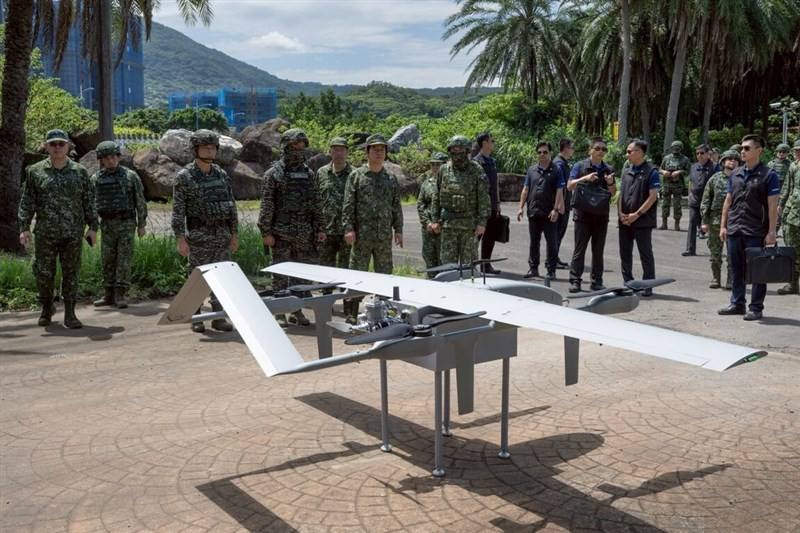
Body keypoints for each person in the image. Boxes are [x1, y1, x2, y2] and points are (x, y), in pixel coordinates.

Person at [18, 129, 98, 329]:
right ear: (46, 146)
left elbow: (89, 201)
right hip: (46, 233)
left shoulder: (79, 172)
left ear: (68, 146)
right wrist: (24, 227)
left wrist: (93, 227)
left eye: (61, 144)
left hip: (72, 233)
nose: (57, 147)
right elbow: (27, 201)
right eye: (52, 144)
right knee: (43, 273)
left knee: (71, 273)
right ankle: (47, 308)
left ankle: (70, 313)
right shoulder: (35, 171)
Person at [172, 129, 238, 333]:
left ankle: (218, 316)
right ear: (195, 149)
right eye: (205, 147)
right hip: (199, 234)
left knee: (222, 278)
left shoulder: (221, 174)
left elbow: (231, 205)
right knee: (197, 277)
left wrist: (234, 233)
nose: (210, 151)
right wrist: (180, 238)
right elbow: (178, 210)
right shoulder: (185, 177)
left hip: (221, 234)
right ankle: (197, 316)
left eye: (213, 148)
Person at [260, 128, 325, 327]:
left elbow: (316, 203)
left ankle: (297, 310)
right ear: (286, 146)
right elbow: (267, 204)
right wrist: (266, 231)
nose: (300, 149)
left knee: (299, 276)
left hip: (304, 233)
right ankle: (280, 312)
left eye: (302, 146)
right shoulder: (274, 174)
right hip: (281, 233)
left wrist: (320, 228)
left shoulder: (308, 174)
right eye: (296, 145)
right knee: (280, 275)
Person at [718, 135, 781, 320]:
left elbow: (772, 205)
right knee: (736, 268)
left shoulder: (769, 175)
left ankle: (756, 307)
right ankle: (737, 303)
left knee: (758, 270)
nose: (742, 151)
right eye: (742, 148)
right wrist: (723, 226)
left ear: (759, 151)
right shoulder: (735, 174)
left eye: (747, 148)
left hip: (755, 230)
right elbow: (728, 201)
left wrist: (772, 231)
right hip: (735, 228)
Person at [342, 134, 403, 323]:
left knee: (385, 274)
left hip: (383, 236)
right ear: (367, 152)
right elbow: (348, 205)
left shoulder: (390, 178)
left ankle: (384, 313)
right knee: (357, 274)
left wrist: (398, 230)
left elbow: (396, 206)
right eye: (375, 149)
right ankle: (351, 313)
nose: (379, 153)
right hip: (362, 236)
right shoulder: (356, 176)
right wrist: (348, 229)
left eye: (382, 149)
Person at [91, 141, 147, 309]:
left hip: (126, 223)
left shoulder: (130, 176)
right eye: (106, 158)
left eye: (113, 157)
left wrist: (141, 224)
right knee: (107, 258)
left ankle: (120, 294)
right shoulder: (96, 178)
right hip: (107, 224)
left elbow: (140, 200)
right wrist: (92, 226)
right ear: (101, 160)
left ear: (118, 157)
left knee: (124, 258)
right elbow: (91, 203)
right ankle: (108, 294)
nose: (110, 160)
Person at [431, 135, 490, 266]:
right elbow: (436, 195)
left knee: (468, 266)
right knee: (447, 266)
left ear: (467, 151)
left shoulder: (476, 170)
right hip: (448, 226)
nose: (457, 156)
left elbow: (483, 198)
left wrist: (482, 223)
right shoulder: (443, 170)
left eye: (460, 152)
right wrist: (434, 220)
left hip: (469, 227)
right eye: (454, 152)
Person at [567, 138, 616, 293]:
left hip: (601, 216)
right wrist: (585, 178)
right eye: (598, 148)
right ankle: (575, 281)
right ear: (590, 150)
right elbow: (569, 186)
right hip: (583, 215)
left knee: (598, 251)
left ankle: (596, 281)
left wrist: (610, 182)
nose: (601, 151)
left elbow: (613, 192)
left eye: (604, 149)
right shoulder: (580, 166)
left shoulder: (608, 169)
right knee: (579, 250)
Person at [516, 142, 564, 281]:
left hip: (549, 213)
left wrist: (556, 209)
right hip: (534, 212)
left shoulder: (556, 170)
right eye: (539, 152)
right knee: (534, 242)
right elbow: (525, 189)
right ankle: (533, 268)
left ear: (550, 153)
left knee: (552, 243)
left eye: (545, 152)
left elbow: (560, 191)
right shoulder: (532, 170)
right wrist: (520, 207)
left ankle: (551, 270)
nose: (542, 154)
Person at [618, 139, 660, 295]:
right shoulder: (626, 170)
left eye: (630, 151)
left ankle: (648, 285)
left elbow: (652, 197)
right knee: (625, 254)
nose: (627, 154)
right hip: (625, 221)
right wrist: (620, 213)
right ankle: (628, 283)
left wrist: (637, 215)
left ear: (640, 153)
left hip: (642, 221)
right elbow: (621, 194)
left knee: (645, 254)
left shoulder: (651, 171)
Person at [701, 150, 739, 289]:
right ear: (723, 162)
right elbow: (706, 201)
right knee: (715, 253)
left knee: (733, 254)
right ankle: (716, 278)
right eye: (729, 159)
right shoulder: (715, 179)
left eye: (735, 159)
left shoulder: (741, 179)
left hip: (735, 221)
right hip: (715, 221)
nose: (732, 161)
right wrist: (704, 221)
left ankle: (731, 280)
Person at [472, 132, 502, 273]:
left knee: (490, 236)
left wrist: (498, 203)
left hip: (493, 205)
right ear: (485, 143)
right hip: (481, 206)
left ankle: (486, 264)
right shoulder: (476, 162)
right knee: (476, 236)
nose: (493, 143)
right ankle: (470, 264)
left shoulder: (492, 162)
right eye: (492, 141)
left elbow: (495, 184)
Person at [417, 152, 448, 277]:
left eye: (438, 164)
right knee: (429, 260)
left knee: (444, 262)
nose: (435, 167)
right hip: (428, 230)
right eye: (432, 164)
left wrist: (439, 223)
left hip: (444, 229)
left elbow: (451, 207)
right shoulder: (426, 183)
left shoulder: (450, 184)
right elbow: (420, 204)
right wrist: (428, 223)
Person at [776, 139, 800, 295]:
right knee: (793, 249)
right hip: (793, 213)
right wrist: (781, 204)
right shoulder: (793, 166)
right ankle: (793, 284)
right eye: (796, 150)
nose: (797, 153)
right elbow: (787, 186)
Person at [683, 144, 715, 256]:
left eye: (702, 153)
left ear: (708, 154)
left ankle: (715, 250)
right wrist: (689, 195)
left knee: (712, 225)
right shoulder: (693, 167)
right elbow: (691, 182)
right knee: (692, 222)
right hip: (695, 200)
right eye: (697, 153)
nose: (699, 155)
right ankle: (690, 249)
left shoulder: (714, 167)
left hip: (709, 201)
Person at [553, 138, 575, 269]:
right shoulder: (559, 164)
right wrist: (560, 205)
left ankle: (555, 257)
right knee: (556, 233)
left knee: (559, 233)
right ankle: (552, 259)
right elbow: (560, 186)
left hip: (565, 204)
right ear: (566, 148)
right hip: (561, 205)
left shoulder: (563, 163)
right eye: (572, 147)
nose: (573, 150)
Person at [659, 140, 690, 230]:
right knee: (665, 204)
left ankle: (677, 224)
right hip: (666, 185)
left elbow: (688, 171)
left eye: (678, 147)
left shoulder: (684, 159)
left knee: (677, 205)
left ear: (681, 148)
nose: (676, 149)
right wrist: (664, 172)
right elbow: (660, 169)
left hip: (678, 185)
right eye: (674, 147)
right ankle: (664, 223)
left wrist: (679, 172)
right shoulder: (667, 158)